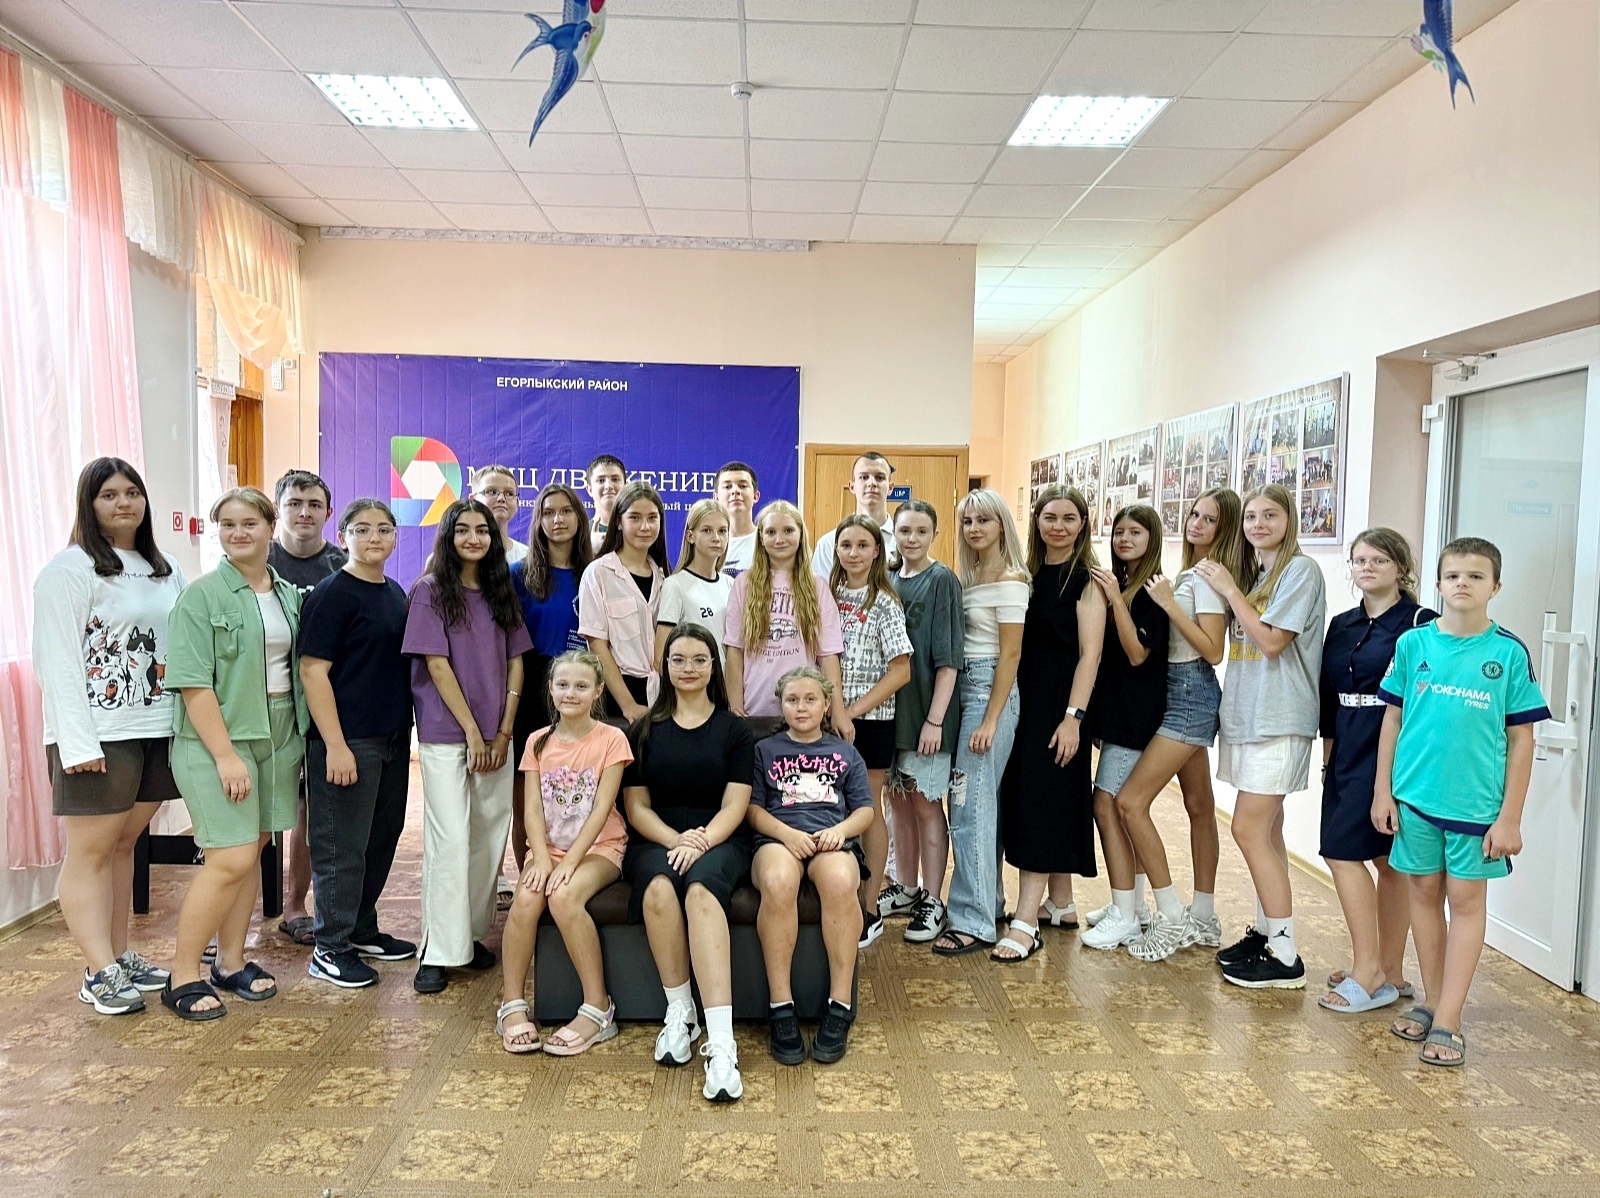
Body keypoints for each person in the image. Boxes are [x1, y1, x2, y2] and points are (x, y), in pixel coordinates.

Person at [1376, 537, 1546, 1066]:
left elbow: (1522, 740)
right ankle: (1432, 1001)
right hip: (1415, 800)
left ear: (1495, 586)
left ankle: (1450, 1019)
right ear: (1437, 584)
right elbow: (1392, 720)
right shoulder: (1413, 645)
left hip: (1476, 809)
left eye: (1475, 576)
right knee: (1423, 893)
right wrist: (1383, 791)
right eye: (1453, 575)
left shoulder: (1508, 653)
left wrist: (1510, 817)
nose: (1462, 584)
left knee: (1466, 903)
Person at [34, 458, 186, 1014]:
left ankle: (120, 955)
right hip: (98, 735)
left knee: (125, 845)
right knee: (91, 853)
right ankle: (98, 970)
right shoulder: (69, 569)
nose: (124, 503)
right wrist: (77, 744)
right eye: (109, 495)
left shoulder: (163, 567)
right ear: (89, 503)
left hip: (156, 728)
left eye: (132, 492)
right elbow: (56, 660)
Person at [161, 488, 308, 1020]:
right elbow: (193, 684)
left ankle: (230, 960)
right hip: (217, 740)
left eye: (249, 523)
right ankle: (182, 974)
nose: (239, 533)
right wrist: (226, 757)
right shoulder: (201, 597)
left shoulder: (287, 593)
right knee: (230, 857)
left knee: (254, 849)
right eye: (228, 525)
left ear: (271, 528)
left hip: (279, 735)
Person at [1196, 483, 1326, 989]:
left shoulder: (1300, 571)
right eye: (1250, 517)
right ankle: (1268, 933)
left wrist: (1230, 590)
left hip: (1280, 719)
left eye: (1270, 515)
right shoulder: (1260, 574)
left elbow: (1271, 642)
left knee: (1247, 830)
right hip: (1248, 717)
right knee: (1268, 833)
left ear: (1290, 519)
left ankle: (1286, 954)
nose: (1258, 525)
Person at [1106, 488, 1244, 961]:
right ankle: (1203, 916)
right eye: (1194, 514)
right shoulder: (1193, 572)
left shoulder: (1205, 578)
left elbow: (1213, 650)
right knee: (1199, 805)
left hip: (1190, 694)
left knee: (1129, 803)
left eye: (1209, 519)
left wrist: (1168, 605)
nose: (1196, 524)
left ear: (1226, 528)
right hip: (1179, 691)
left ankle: (1169, 917)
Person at [622, 623, 755, 1100]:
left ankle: (721, 1044)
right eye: (678, 659)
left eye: (699, 659)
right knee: (658, 888)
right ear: (665, 667)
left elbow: (736, 804)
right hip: (658, 835)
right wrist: (677, 839)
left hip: (719, 837)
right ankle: (680, 1012)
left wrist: (700, 842)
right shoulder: (643, 730)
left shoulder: (735, 730)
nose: (689, 668)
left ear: (713, 666)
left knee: (700, 892)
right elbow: (636, 807)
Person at [404, 498, 531, 994]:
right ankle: (437, 951)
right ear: (449, 536)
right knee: (451, 839)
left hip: (497, 735)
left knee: (488, 836)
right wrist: (475, 733)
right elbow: (436, 665)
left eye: (482, 530)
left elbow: (517, 662)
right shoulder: (431, 591)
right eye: (463, 530)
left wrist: (503, 732)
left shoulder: (501, 591)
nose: (474, 538)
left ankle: (468, 938)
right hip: (447, 734)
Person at [298, 499, 416, 989]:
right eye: (362, 529)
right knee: (340, 848)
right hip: (347, 743)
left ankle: (362, 929)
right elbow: (312, 671)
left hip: (392, 738)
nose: (374, 538)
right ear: (343, 536)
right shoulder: (332, 594)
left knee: (380, 839)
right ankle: (330, 946)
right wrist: (336, 745)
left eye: (384, 529)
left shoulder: (394, 592)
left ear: (395, 538)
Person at [1317, 528, 1436, 1013]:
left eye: (1379, 560)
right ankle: (1389, 970)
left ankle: (1371, 970)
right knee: (1378, 859)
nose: (1366, 568)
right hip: (1346, 744)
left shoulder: (1422, 624)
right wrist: (1328, 759)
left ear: (1401, 568)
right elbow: (1328, 698)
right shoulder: (1342, 624)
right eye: (1359, 560)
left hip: (1393, 745)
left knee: (1354, 854)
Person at [498, 651, 631, 1056]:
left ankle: (598, 1007)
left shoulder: (612, 740)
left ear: (598, 691)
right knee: (526, 897)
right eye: (563, 685)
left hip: (600, 849)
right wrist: (540, 859)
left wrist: (569, 863)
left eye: (581, 686)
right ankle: (512, 1004)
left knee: (563, 894)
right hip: (549, 848)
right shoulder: (537, 742)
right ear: (551, 690)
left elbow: (601, 809)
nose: (571, 693)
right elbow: (532, 810)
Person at [996, 486, 1104, 962]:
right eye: (1050, 517)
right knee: (1047, 798)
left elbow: (1090, 656)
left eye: (1069, 518)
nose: (1058, 526)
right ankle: (1060, 903)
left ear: (1082, 524)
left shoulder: (1087, 581)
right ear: (1036, 522)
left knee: (1039, 806)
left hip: (1061, 707)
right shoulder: (1029, 575)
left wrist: (1073, 718)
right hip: (1028, 702)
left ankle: (1024, 923)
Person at [748, 666, 874, 1066]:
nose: (801, 708)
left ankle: (840, 1005)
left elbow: (865, 810)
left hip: (831, 839)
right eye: (792, 700)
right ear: (781, 706)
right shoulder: (764, 751)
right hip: (778, 839)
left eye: (810, 700)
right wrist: (786, 835)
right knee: (778, 880)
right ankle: (781, 1007)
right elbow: (751, 809)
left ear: (826, 705)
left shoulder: (845, 752)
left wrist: (841, 831)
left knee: (839, 880)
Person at [931, 488, 1029, 957]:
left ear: (1001, 525)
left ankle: (972, 921)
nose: (974, 529)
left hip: (990, 692)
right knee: (980, 806)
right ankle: (989, 903)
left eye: (984, 520)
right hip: (965, 689)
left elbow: (1011, 654)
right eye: (967, 521)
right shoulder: (969, 577)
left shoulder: (1011, 579)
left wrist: (990, 719)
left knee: (968, 806)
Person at [1081, 505, 1170, 952]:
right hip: (1116, 715)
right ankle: (1132, 905)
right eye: (1119, 532)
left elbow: (1137, 654)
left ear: (1152, 538)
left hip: (1139, 718)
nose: (1125, 539)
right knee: (1114, 808)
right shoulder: (1123, 582)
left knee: (1107, 804)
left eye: (1135, 532)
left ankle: (1125, 914)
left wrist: (1116, 599)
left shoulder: (1152, 591)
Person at [268, 469, 346, 949]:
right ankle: (227, 916)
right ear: (279, 509)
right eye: (295, 503)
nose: (304, 512)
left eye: (314, 504)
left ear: (328, 513)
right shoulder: (259, 559)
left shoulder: (341, 566)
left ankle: (296, 906)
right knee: (253, 809)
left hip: (321, 702)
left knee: (310, 806)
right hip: (267, 703)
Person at [881, 499, 963, 944]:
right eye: (904, 531)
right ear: (893, 534)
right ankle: (906, 885)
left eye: (921, 531)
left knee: (928, 806)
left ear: (934, 535)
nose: (911, 539)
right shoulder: (888, 578)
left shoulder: (942, 580)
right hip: (892, 714)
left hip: (927, 715)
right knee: (897, 803)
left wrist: (934, 720)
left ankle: (933, 898)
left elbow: (949, 661)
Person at [829, 513, 912, 948]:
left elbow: (901, 671)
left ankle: (870, 903)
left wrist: (852, 711)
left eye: (863, 545)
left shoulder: (884, 601)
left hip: (871, 721)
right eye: (846, 545)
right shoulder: (828, 594)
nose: (854, 553)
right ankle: (838, 892)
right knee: (834, 807)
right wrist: (834, 711)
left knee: (867, 807)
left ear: (878, 550)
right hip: (829, 718)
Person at [509, 483, 593, 879]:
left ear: (579, 518)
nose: (557, 520)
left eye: (566, 511)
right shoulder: (520, 574)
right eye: (548, 512)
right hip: (534, 686)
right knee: (529, 794)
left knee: (578, 790)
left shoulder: (595, 571)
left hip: (584, 686)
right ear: (538, 521)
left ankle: (572, 875)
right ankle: (530, 878)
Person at [723, 501, 848, 735]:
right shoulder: (743, 583)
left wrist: (838, 710)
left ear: (800, 534)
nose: (779, 539)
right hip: (754, 710)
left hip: (805, 712)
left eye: (788, 530)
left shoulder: (817, 586)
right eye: (771, 532)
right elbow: (734, 650)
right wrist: (735, 706)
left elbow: (829, 654)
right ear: (761, 538)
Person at [578, 481, 668, 722]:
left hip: (662, 695)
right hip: (617, 698)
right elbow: (597, 646)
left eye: (652, 518)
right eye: (635, 518)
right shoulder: (599, 573)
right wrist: (628, 705)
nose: (645, 527)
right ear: (618, 521)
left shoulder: (664, 576)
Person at [656, 498, 734, 664]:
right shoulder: (675, 585)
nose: (716, 538)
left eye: (722, 531)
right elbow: (660, 658)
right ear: (690, 536)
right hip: (693, 679)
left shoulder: (730, 584)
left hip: (728, 679)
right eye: (707, 530)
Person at [810, 452, 896, 578]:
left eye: (879, 477)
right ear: (852, 486)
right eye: (864, 477)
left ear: (890, 488)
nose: (872, 483)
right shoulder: (828, 544)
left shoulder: (904, 542)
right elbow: (821, 589)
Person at [472, 464, 531, 565]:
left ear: (517, 503)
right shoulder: (456, 555)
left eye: (509, 494)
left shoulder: (527, 557)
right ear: (473, 500)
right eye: (492, 492)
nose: (501, 499)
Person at [715, 461, 761, 574]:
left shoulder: (766, 541)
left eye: (743, 486)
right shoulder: (709, 543)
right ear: (716, 498)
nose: (735, 491)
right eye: (727, 486)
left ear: (755, 496)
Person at [585, 454, 627, 555]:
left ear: (626, 486)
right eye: (601, 480)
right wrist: (590, 552)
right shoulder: (581, 533)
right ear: (589, 490)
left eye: (615, 479)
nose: (608, 486)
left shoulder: (636, 530)